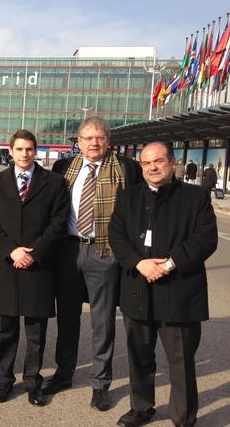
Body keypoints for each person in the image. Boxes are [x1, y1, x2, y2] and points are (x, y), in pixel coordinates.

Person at [109, 142, 217, 427]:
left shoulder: (195, 197)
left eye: (158, 161)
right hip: (138, 288)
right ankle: (141, 408)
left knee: (181, 362)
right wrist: (139, 263)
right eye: (146, 163)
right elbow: (117, 235)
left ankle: (183, 418)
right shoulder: (128, 197)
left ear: (172, 162)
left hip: (179, 291)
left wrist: (169, 264)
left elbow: (205, 239)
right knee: (139, 356)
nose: (152, 167)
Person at [43, 115, 142, 412]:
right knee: (67, 317)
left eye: (100, 137)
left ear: (108, 141)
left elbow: (137, 211)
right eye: (88, 138)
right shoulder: (63, 167)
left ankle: (100, 384)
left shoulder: (126, 168)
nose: (94, 143)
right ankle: (64, 373)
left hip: (105, 252)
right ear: (79, 141)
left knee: (103, 322)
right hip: (68, 251)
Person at [0, 130, 69, 405]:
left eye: (29, 149)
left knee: (36, 331)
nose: (24, 154)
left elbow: (58, 223)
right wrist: (12, 251)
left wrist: (35, 253)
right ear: (10, 151)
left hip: (38, 265)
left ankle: (33, 381)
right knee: (5, 330)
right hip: (6, 264)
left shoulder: (54, 182)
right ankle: (4, 379)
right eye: (19, 149)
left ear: (35, 151)